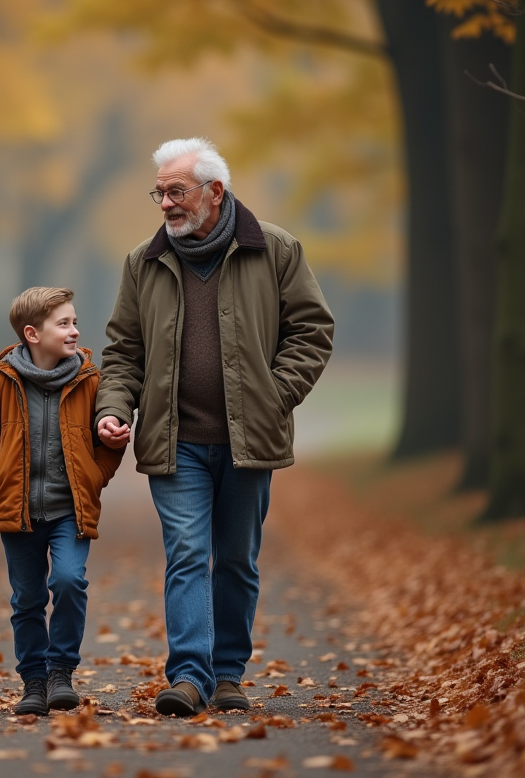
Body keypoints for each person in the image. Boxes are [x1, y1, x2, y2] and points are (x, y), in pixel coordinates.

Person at [95, 137, 334, 716]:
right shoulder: (143, 262)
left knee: (235, 559)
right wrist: (114, 409)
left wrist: (274, 398)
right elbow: (124, 350)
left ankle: (227, 672)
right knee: (185, 552)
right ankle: (189, 677)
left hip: (250, 442)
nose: (166, 204)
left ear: (214, 192)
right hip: (175, 442)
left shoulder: (274, 250)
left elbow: (312, 332)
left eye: (176, 191)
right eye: (160, 192)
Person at [0, 287, 125, 716]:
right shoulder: (1, 381)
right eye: (64, 324)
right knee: (28, 599)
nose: (75, 331)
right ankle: (33, 681)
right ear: (33, 333)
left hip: (70, 509)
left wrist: (97, 474)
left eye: (74, 321)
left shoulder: (90, 381)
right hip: (18, 513)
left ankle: (60, 673)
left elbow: (110, 440)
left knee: (69, 582)